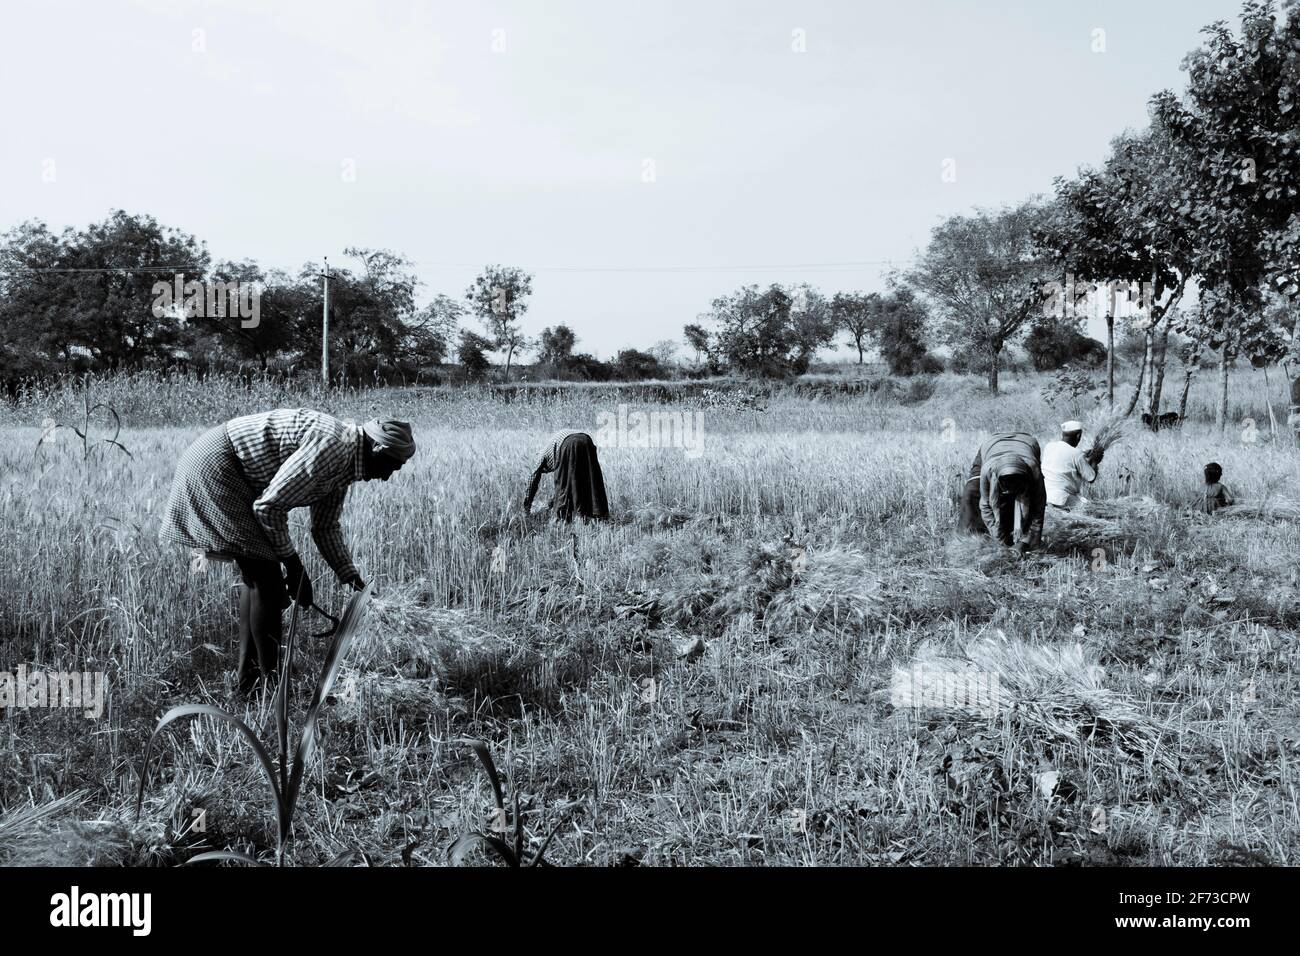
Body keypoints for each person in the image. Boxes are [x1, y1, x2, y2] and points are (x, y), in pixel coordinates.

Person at [160, 409, 415, 694]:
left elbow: (325, 527)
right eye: (393, 467)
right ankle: (272, 686)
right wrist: (295, 568)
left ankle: (250, 683)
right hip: (217, 467)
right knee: (267, 580)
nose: (387, 477)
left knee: (258, 577)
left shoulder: (346, 465)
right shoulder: (334, 447)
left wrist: (353, 580)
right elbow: (268, 507)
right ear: (378, 448)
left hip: (231, 469)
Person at [958, 431, 1046, 552]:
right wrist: (998, 538)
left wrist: (1025, 541)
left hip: (1027, 443)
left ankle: (1017, 539)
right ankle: (966, 545)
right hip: (992, 445)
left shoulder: (1033, 472)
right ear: (997, 478)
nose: (1009, 491)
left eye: (1014, 485)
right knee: (971, 493)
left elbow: (1038, 509)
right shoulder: (988, 469)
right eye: (1006, 486)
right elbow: (985, 506)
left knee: (1026, 501)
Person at [523, 429, 609, 522]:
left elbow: (533, 479)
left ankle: (562, 519)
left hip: (569, 444)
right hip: (586, 440)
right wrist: (551, 503)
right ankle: (598, 515)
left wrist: (526, 506)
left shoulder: (540, 457)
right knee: (591, 479)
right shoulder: (551, 448)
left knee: (562, 483)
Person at [1041, 420, 1103, 511]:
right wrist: (1094, 461)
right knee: (1091, 509)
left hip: (1044, 495)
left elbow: (1064, 455)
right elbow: (1091, 478)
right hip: (1061, 499)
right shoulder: (1076, 454)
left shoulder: (1049, 446)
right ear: (1078, 436)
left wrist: (1083, 454)